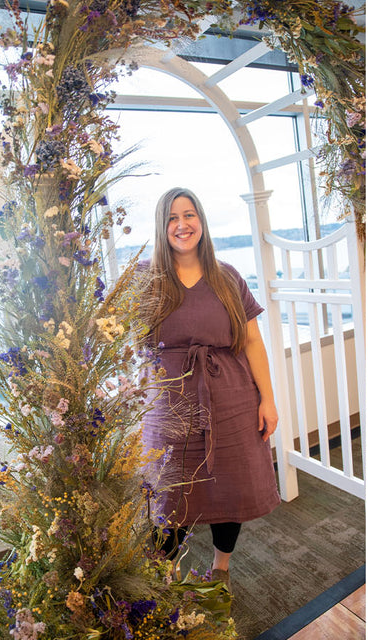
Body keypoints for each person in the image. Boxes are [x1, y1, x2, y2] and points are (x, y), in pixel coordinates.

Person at [139, 187, 280, 592]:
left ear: (201, 220)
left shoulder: (227, 276)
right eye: (172, 218)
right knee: (170, 496)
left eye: (189, 215)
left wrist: (268, 400)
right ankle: (163, 580)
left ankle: (220, 571)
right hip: (169, 405)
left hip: (232, 399)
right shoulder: (145, 280)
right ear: (162, 226)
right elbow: (120, 339)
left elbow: (253, 342)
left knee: (229, 489)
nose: (182, 225)